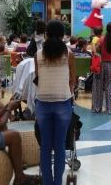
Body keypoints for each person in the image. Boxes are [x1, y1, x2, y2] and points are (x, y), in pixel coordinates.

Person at [34, 20, 75, 185]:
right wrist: (68, 92)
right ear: (62, 35)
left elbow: (37, 79)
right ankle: (57, 182)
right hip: (63, 102)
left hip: (42, 103)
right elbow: (72, 79)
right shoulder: (69, 54)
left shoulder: (38, 55)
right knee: (59, 146)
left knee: (45, 146)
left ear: (47, 34)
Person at [92, 22, 111, 114]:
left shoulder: (102, 39)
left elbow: (95, 49)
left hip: (101, 63)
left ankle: (97, 108)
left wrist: (96, 53)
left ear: (106, 29)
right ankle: (110, 108)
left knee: (98, 86)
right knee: (110, 86)